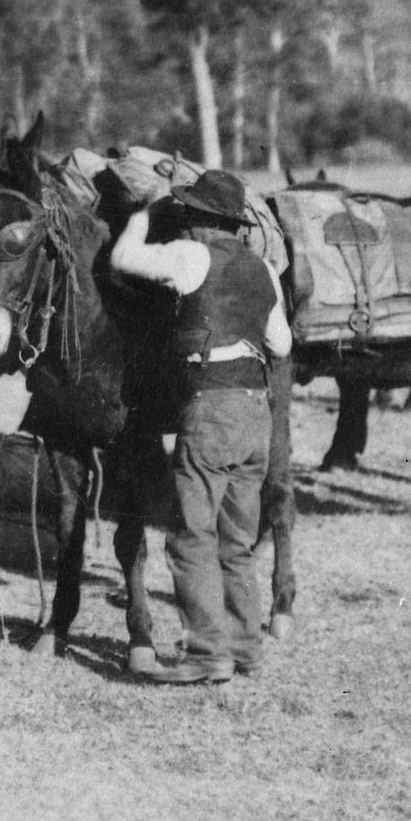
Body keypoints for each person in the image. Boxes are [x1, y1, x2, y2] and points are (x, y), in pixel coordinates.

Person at [107, 168, 291, 685]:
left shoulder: (191, 255)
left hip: (210, 409)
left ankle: (208, 654)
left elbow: (123, 259)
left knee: (192, 535)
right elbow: (281, 345)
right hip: (256, 413)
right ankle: (246, 648)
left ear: (198, 217)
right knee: (237, 539)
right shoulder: (263, 268)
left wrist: (142, 212)